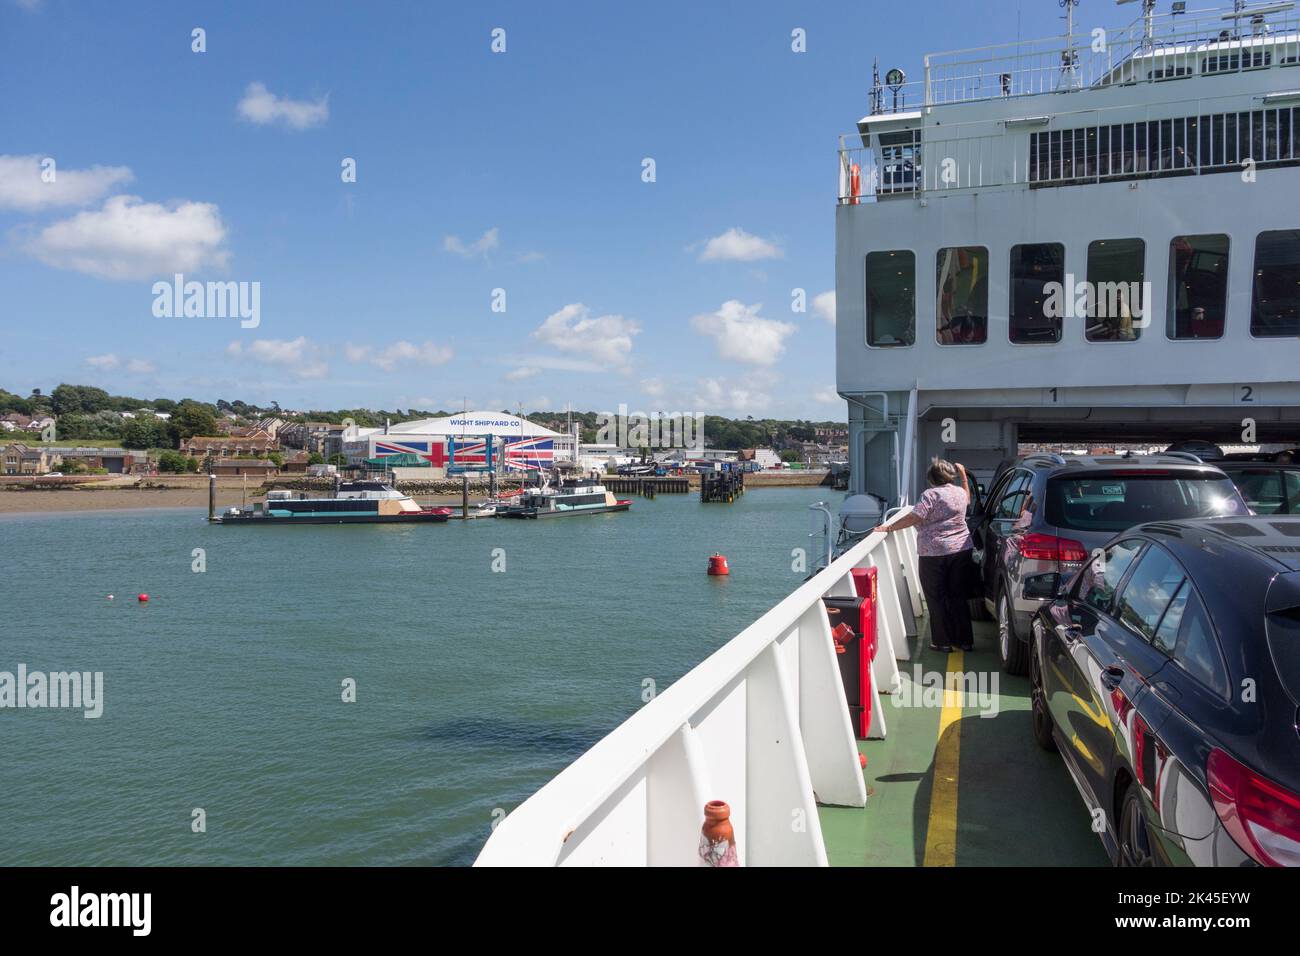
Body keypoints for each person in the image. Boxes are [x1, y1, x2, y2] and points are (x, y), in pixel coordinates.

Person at [874, 459, 975, 652]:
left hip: (933, 552)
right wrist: (963, 476)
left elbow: (915, 517)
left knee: (936, 597)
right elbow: (968, 498)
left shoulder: (931, 494)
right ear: (949, 476)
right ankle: (965, 641)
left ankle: (942, 642)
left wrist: (889, 527)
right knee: (958, 595)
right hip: (961, 550)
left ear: (931, 478)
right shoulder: (960, 493)